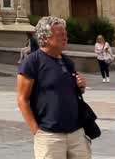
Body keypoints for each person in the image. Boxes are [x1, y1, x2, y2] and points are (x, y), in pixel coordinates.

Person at [16, 16, 90, 159]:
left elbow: (69, 91)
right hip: (49, 135)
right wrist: (36, 131)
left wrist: (80, 86)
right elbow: (22, 99)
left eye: (65, 34)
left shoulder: (67, 61)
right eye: (60, 35)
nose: (65, 37)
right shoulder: (32, 62)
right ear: (46, 38)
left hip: (76, 132)